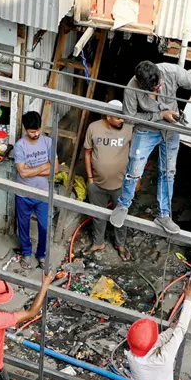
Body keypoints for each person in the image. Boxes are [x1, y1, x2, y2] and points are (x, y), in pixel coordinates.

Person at [113, 60, 191, 235]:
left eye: (159, 85)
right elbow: (129, 118)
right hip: (145, 131)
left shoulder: (172, 72)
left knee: (168, 172)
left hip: (170, 130)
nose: (159, 89)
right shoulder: (131, 88)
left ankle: (164, 215)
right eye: (154, 89)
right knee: (134, 170)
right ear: (142, 85)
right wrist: (160, 115)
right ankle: (123, 205)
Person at [83, 99, 133, 260]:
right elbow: (87, 153)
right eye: (118, 117)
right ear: (109, 115)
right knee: (98, 216)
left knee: (121, 216)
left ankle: (121, 244)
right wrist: (90, 179)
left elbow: (136, 154)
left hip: (121, 185)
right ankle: (98, 242)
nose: (122, 120)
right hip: (97, 183)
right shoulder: (94, 128)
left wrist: (134, 179)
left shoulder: (129, 129)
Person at [13, 111, 54, 270]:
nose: (36, 134)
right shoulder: (20, 146)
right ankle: (27, 253)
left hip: (43, 193)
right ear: (25, 129)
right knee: (23, 225)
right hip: (23, 193)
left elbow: (55, 169)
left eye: (38, 130)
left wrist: (32, 169)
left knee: (44, 226)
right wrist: (45, 166)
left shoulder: (48, 142)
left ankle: (42, 254)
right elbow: (22, 172)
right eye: (32, 131)